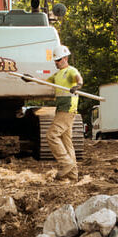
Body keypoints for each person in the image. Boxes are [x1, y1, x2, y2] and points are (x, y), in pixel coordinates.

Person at [46, 44, 83, 181]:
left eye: (59, 59)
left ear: (66, 58)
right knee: (67, 142)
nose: (57, 62)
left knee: (51, 135)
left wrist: (77, 86)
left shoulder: (71, 71)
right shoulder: (56, 75)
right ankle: (73, 175)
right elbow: (42, 82)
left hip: (68, 109)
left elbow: (79, 79)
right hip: (60, 109)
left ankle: (66, 163)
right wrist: (28, 78)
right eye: (55, 60)